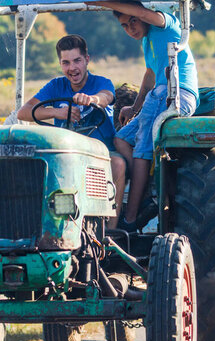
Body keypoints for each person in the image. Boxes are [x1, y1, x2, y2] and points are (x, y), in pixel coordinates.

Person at [94, 1, 199, 231]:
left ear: (143, 16)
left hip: (175, 93)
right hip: (159, 94)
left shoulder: (168, 25)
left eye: (133, 21)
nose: (131, 27)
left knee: (142, 150)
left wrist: (99, 2)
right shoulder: (147, 42)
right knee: (121, 139)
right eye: (124, 25)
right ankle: (149, 189)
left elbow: (143, 12)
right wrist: (134, 107)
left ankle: (130, 219)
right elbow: (151, 74)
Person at [17, 34, 126, 228]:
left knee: (117, 164)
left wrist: (91, 99)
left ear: (87, 60)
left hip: (99, 155)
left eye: (77, 61)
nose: (72, 68)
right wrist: (58, 112)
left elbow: (106, 96)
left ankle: (111, 231)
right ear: (60, 64)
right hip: (67, 154)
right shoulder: (56, 86)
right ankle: (40, 227)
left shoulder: (101, 82)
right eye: (65, 63)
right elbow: (24, 112)